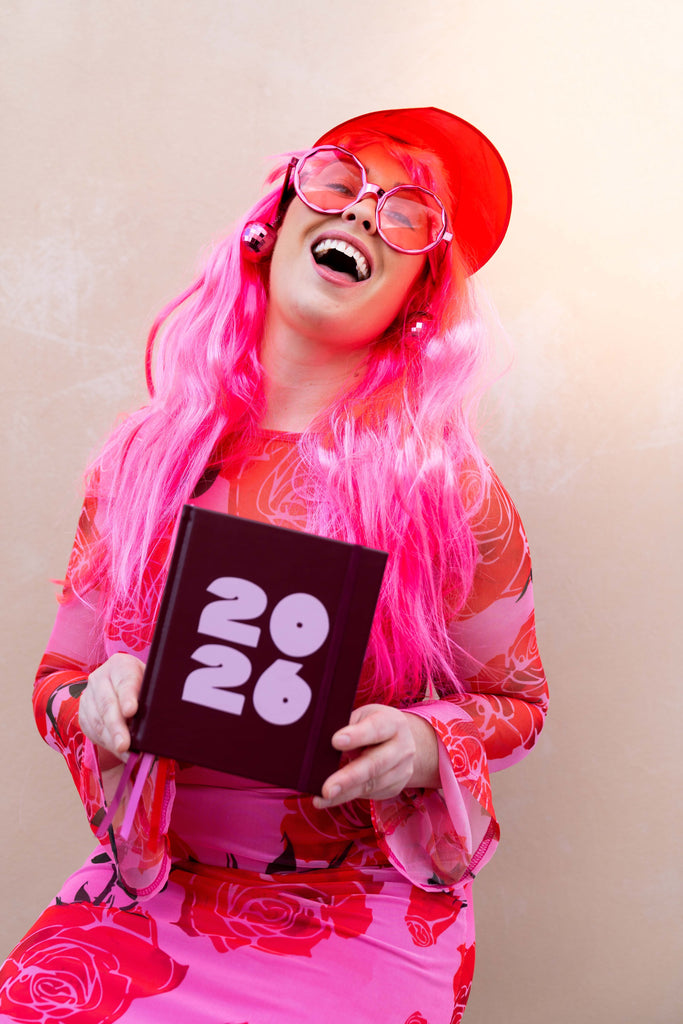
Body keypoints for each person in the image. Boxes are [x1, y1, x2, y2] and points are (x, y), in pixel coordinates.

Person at [0, 107, 548, 1023]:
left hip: (360, 912)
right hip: (150, 893)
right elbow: (58, 677)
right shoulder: (141, 462)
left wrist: (424, 744)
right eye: (337, 183)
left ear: (416, 297)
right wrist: (93, 705)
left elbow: (519, 706)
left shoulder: (445, 489)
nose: (363, 213)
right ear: (275, 222)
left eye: (406, 215)